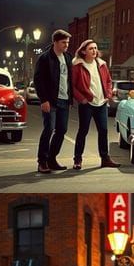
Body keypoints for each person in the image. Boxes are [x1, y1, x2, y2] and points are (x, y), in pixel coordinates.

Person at [71, 39, 121, 170]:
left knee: (103, 131)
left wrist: (108, 95)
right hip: (87, 103)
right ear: (83, 51)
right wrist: (81, 99)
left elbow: (109, 82)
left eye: (95, 48)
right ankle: (77, 159)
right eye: (91, 48)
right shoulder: (78, 65)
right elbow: (73, 86)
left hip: (101, 103)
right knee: (83, 131)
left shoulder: (102, 64)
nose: (94, 50)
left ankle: (105, 159)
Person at [34, 30, 74, 174]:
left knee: (62, 130)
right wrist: (43, 100)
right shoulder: (45, 58)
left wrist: (71, 97)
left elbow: (69, 80)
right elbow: (38, 80)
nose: (66, 45)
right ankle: (42, 161)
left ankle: (52, 159)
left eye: (68, 42)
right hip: (50, 101)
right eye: (64, 42)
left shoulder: (68, 57)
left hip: (64, 100)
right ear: (55, 42)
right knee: (49, 129)